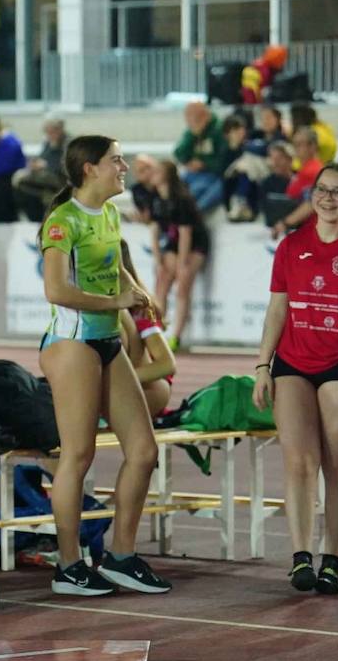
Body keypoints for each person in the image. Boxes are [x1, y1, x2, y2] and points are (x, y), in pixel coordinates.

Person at [38, 135, 170, 597]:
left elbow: (114, 267)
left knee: (144, 451)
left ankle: (120, 556)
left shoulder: (110, 214)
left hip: (107, 340)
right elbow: (55, 291)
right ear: (90, 168)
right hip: (73, 344)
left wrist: (138, 290)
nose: (125, 167)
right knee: (78, 454)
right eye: (116, 160)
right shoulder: (62, 221)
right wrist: (116, 300)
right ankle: (69, 565)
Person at [252, 164, 338, 595]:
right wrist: (263, 366)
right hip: (293, 363)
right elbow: (277, 310)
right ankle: (301, 556)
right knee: (299, 462)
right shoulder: (291, 246)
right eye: (322, 190)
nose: (328, 198)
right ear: (312, 195)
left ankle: (333, 560)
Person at [148, 163, 210, 351]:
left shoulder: (181, 199)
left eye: (157, 171)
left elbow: (186, 234)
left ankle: (176, 336)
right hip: (174, 242)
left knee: (183, 285)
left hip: (195, 243)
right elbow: (155, 230)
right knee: (163, 280)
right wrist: (158, 259)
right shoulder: (156, 198)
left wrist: (183, 263)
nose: (153, 174)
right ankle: (156, 332)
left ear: (168, 176)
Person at [119, 242, 176, 416]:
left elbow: (167, 365)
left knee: (117, 315)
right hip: (116, 391)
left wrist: (120, 381)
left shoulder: (141, 309)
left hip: (149, 389)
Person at [172, 102, 228, 213]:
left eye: (192, 117)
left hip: (214, 175)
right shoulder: (192, 131)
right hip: (193, 174)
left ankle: (194, 214)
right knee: (173, 186)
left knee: (199, 190)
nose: (188, 121)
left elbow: (224, 160)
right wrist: (193, 136)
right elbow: (179, 153)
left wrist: (204, 164)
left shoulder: (219, 130)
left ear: (205, 115)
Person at [271, 126, 324, 237]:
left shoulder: (312, 171)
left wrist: (285, 223)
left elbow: (310, 204)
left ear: (312, 146)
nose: (296, 149)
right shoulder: (304, 170)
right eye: (294, 144)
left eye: (300, 144)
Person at [14, 117, 70, 219]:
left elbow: (66, 165)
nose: (50, 135)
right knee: (19, 180)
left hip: (59, 179)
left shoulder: (67, 144)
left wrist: (45, 165)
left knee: (22, 180)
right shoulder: (48, 143)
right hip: (45, 176)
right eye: (48, 132)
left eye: (52, 131)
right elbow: (42, 157)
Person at [221, 114, 269, 222]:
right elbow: (225, 174)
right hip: (232, 186)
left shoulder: (250, 147)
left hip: (253, 185)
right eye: (235, 129)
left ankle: (245, 205)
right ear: (227, 134)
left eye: (242, 129)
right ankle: (239, 203)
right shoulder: (225, 152)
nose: (240, 132)